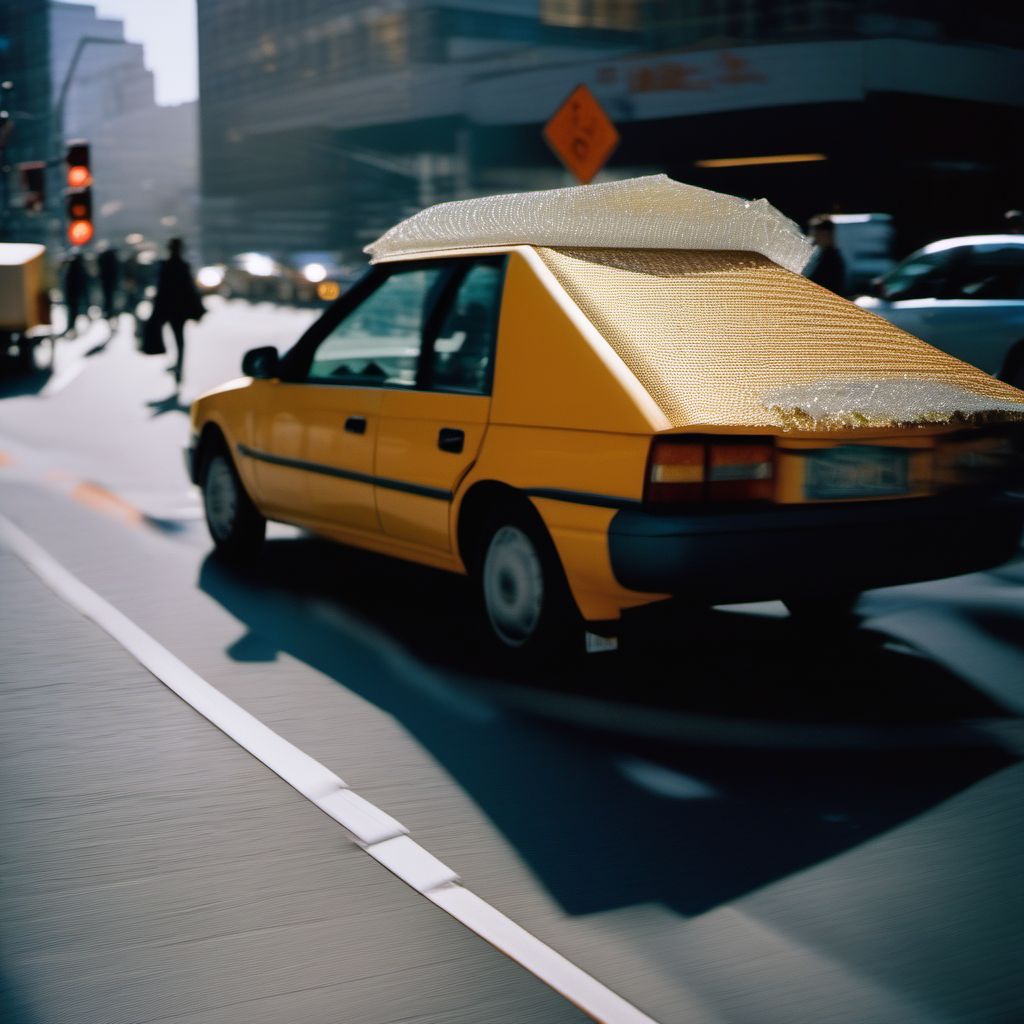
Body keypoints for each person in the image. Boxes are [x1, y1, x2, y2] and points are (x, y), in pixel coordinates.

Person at [152, 237, 204, 386]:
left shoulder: (165, 266)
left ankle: (176, 365)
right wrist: (197, 308)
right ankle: (179, 367)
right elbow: (190, 289)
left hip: (168, 308)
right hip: (180, 310)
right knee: (180, 341)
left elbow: (160, 289)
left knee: (173, 338)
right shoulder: (183, 266)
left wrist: (157, 309)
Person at [806, 214, 847, 295]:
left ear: (826, 234)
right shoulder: (824, 255)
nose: (814, 238)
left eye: (816, 234)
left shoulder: (831, 259)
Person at [62, 249, 89, 336]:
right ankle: (71, 327)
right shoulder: (78, 268)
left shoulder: (70, 267)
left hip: (71, 293)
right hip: (74, 293)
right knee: (73, 311)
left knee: (72, 311)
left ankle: (71, 326)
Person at [96, 242, 120, 327]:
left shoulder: (103, 258)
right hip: (110, 281)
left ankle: (109, 313)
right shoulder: (112, 259)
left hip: (106, 281)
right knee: (110, 298)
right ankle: (111, 313)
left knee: (108, 298)